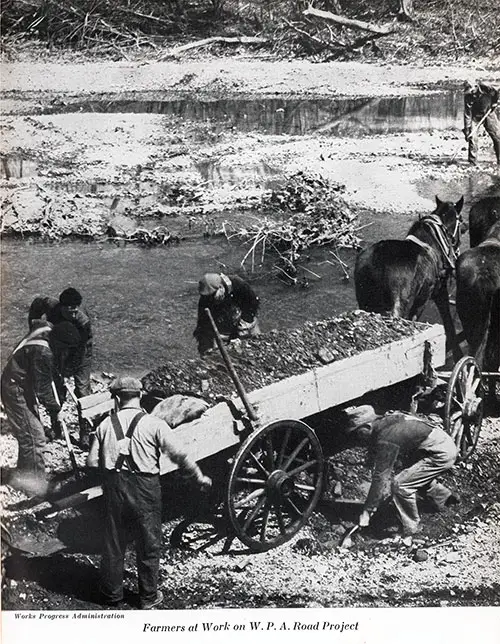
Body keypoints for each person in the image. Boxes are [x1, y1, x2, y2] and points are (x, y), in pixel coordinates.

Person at [86, 376, 212, 609]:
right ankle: (148, 597)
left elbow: (92, 462)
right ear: (141, 395)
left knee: (114, 542)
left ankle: (112, 595)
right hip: (145, 488)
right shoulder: (154, 424)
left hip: (115, 488)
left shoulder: (104, 425)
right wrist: (199, 477)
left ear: (116, 398)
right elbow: (179, 456)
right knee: (148, 542)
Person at [344, 405, 458, 543]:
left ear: (367, 427)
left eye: (358, 433)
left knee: (401, 485)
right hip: (437, 444)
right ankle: (445, 498)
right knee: (410, 474)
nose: (358, 438)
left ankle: (411, 529)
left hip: (441, 453)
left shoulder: (387, 437)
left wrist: (367, 511)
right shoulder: (385, 421)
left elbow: (381, 477)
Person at [1, 320, 81, 497]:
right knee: (35, 438)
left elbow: (37, 321)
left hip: (22, 384)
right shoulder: (43, 352)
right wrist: (56, 410)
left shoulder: (46, 329)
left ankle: (24, 474)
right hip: (15, 389)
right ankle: (36, 487)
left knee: (29, 434)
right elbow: (43, 389)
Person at [28, 287, 93, 398]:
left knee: (82, 386)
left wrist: (69, 368)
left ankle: (88, 406)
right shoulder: (50, 305)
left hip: (81, 347)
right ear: (62, 307)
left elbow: (80, 351)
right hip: (59, 343)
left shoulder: (83, 322)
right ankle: (59, 400)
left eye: (75, 311)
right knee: (56, 376)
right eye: (70, 312)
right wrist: (34, 326)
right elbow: (36, 305)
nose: (74, 315)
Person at [193, 272, 260, 355]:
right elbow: (203, 326)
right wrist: (206, 347)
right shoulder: (205, 300)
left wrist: (241, 329)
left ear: (220, 288)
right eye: (207, 297)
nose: (210, 299)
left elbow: (253, 304)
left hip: (244, 318)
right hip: (222, 323)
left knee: (254, 344)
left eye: (213, 295)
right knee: (210, 350)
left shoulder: (238, 284)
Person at [463, 79, 500, 166]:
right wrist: (467, 129)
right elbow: (467, 114)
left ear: (476, 86)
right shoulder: (468, 96)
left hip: (489, 113)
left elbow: (496, 92)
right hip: (475, 117)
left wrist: (495, 102)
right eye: (468, 91)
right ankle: (473, 163)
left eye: (471, 91)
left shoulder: (486, 87)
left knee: (498, 136)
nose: (471, 93)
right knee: (472, 138)